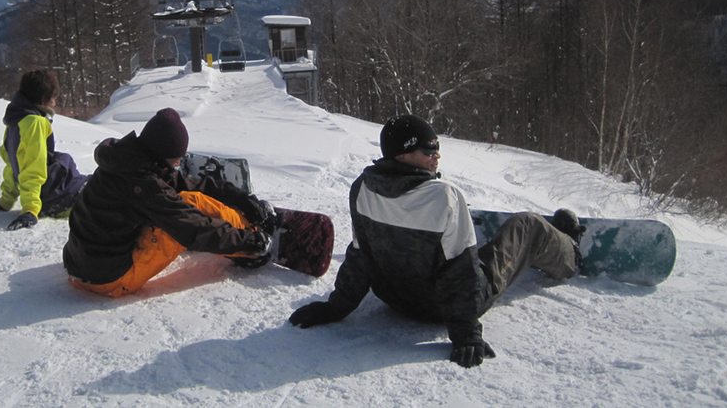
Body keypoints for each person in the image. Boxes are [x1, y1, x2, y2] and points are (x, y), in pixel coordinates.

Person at [288, 114, 585, 368]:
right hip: (440, 308)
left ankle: (458, 235)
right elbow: (461, 273)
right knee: (528, 225)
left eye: (437, 147)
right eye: (428, 150)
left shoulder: (362, 188)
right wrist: (466, 335)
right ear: (402, 155)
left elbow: (360, 256)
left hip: (394, 298)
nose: (437, 155)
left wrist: (335, 308)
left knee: (440, 240)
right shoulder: (444, 197)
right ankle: (570, 252)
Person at [62, 108, 276, 297]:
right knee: (181, 218)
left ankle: (241, 228)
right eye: (176, 157)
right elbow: (192, 228)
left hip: (81, 266)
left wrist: (239, 198)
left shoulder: (128, 161)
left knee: (187, 199)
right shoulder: (143, 183)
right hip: (109, 280)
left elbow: (186, 184)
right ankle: (251, 241)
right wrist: (249, 242)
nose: (179, 162)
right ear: (161, 152)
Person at [0, 70, 88, 231]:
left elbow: (13, 162)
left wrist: (6, 201)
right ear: (44, 99)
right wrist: (31, 210)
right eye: (54, 99)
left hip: (51, 192)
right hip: (56, 196)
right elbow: (33, 167)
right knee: (105, 189)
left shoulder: (16, 118)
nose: (54, 104)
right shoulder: (35, 123)